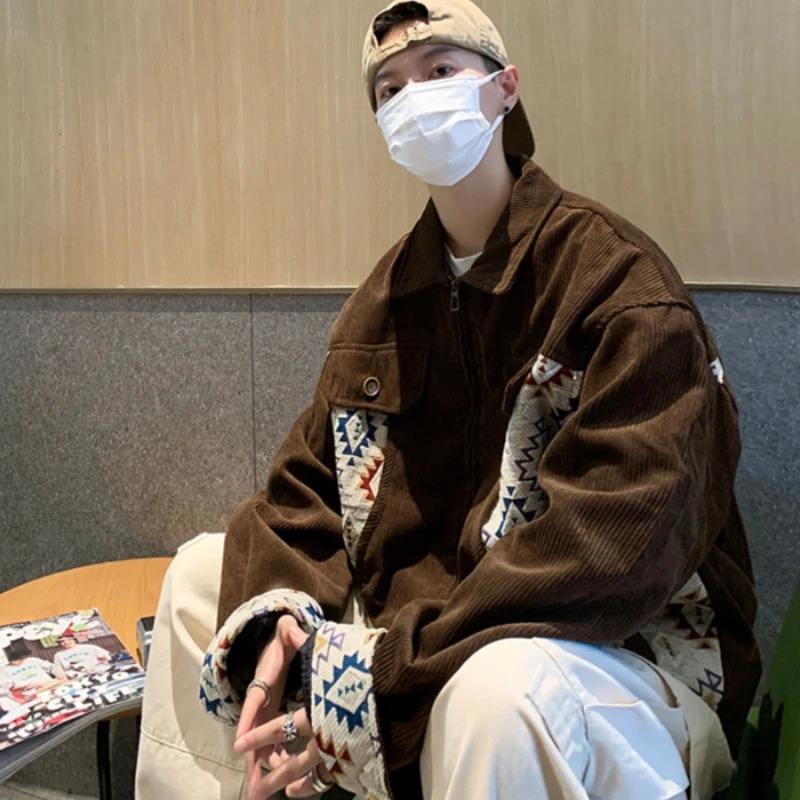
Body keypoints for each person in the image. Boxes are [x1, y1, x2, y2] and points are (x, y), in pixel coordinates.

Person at [135, 1, 762, 799]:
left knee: (493, 695)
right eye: (390, 88)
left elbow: (612, 555)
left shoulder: (617, 288)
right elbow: (303, 491)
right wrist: (282, 632)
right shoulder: (386, 300)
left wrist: (379, 676)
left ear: (505, 89)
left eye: (438, 71)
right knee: (201, 577)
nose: (415, 98)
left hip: (614, 651)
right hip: (427, 635)